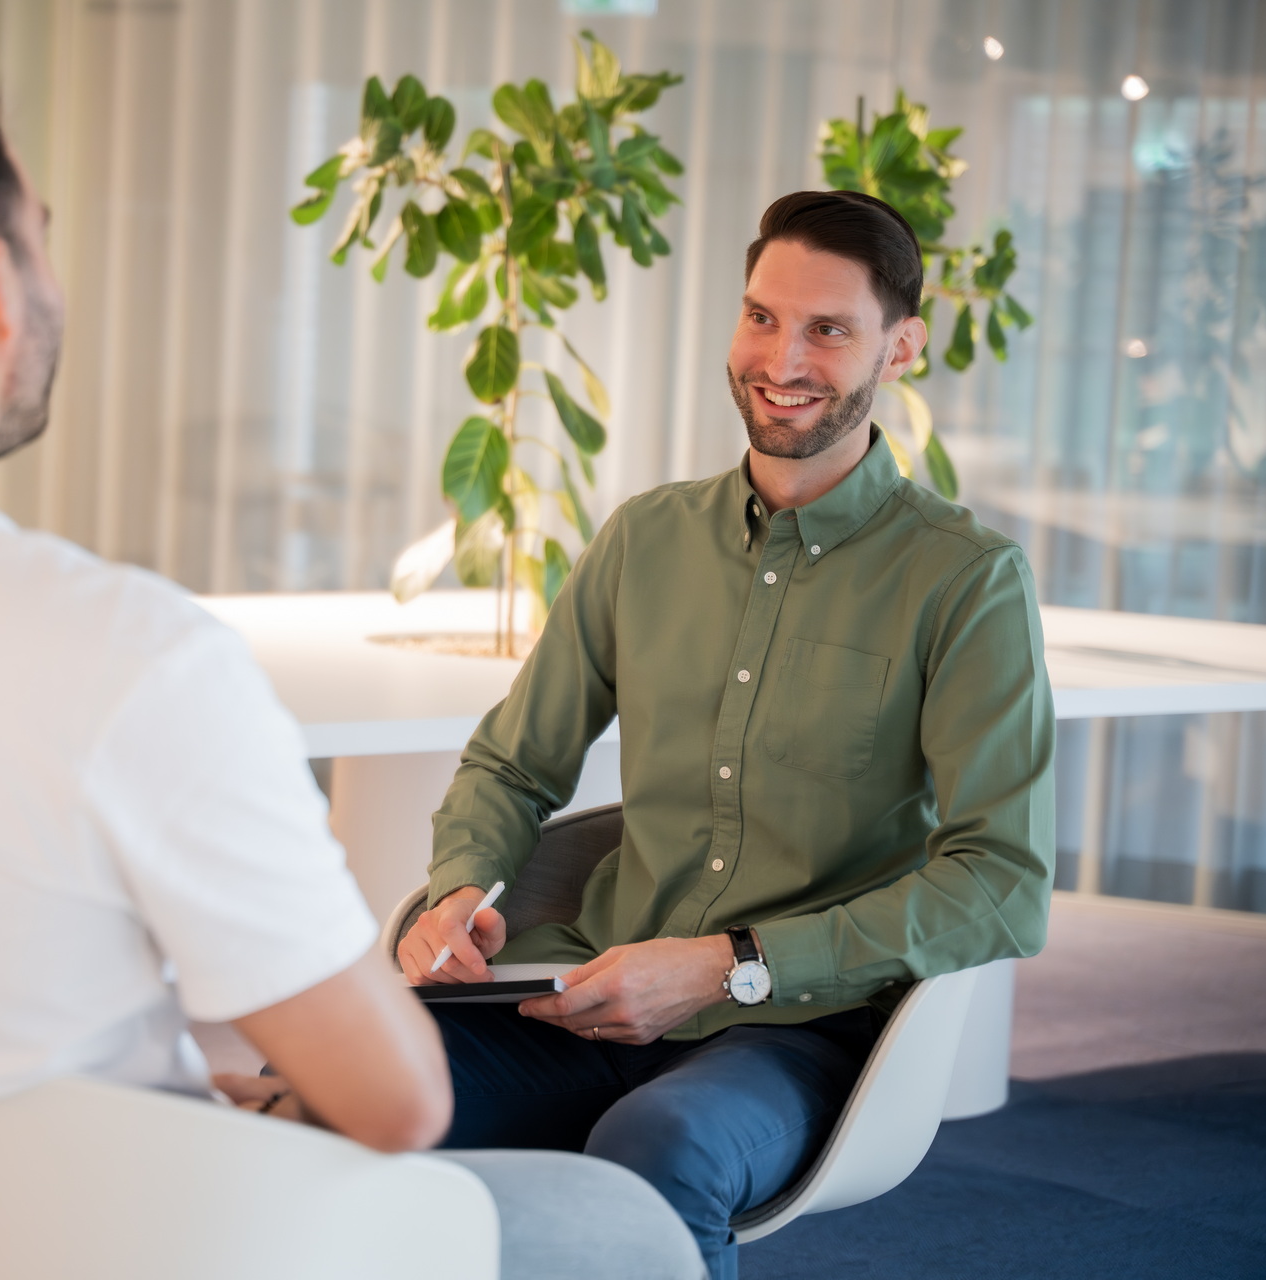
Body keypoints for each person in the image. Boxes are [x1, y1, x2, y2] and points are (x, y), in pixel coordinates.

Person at [0, 37, 704, 1280]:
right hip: (108, 1241)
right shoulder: (132, 654)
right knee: (620, 1229)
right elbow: (398, 1099)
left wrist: (160, 1100)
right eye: (42, 235)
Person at [396, 189, 1057, 1278]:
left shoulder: (966, 580)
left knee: (658, 1150)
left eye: (827, 329)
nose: (781, 358)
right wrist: (461, 890)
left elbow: (1002, 883)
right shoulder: (645, 538)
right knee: (337, 1083)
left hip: (798, 1031)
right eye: (761, 317)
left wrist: (730, 966)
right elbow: (513, 762)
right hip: (584, 994)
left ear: (900, 349)